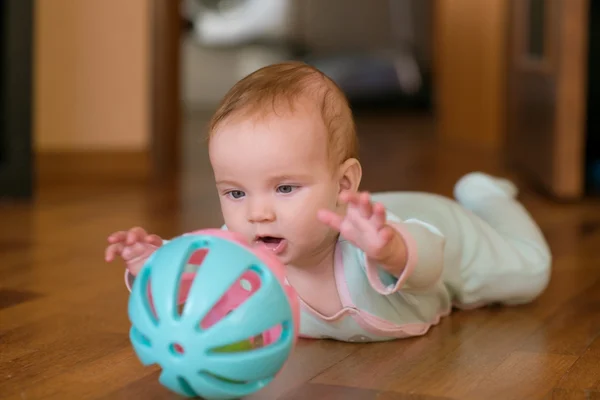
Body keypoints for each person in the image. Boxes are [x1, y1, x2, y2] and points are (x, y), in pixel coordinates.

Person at [105, 62, 551, 342]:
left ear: (343, 184)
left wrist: (390, 249)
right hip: (364, 212)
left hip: (441, 230)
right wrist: (151, 264)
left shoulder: (373, 241)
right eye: (236, 193)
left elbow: (431, 259)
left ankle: (485, 196)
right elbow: (196, 278)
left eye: (284, 188)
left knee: (530, 273)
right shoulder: (242, 247)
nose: (257, 212)